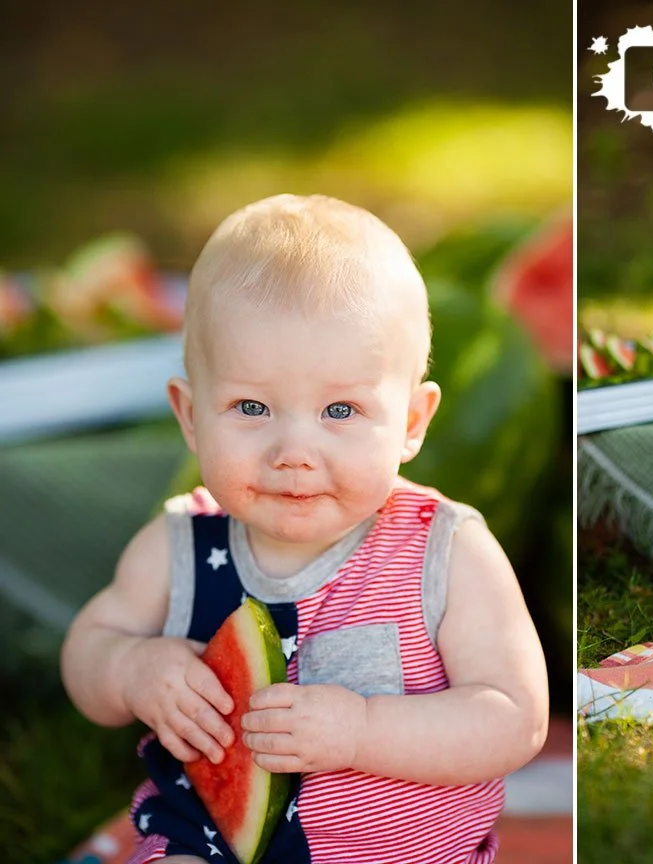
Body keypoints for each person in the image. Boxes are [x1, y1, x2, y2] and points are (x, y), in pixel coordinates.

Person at [60, 194, 550, 864]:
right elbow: (88, 649)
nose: (294, 449)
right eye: (252, 406)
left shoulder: (449, 550)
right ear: (191, 415)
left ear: (411, 422)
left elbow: (513, 718)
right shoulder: (179, 545)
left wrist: (361, 729)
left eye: (340, 410)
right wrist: (128, 667)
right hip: (207, 844)